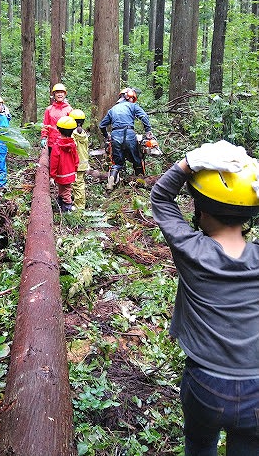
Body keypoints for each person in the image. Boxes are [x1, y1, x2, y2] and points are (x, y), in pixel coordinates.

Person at [150, 140, 259, 456]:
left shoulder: (191, 251)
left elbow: (161, 197)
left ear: (199, 208)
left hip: (205, 383)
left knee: (199, 444)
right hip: (256, 385)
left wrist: (188, 163)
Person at [99, 87, 153, 190]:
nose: (133, 100)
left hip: (115, 135)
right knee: (137, 159)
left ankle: (111, 181)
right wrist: (148, 131)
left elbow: (102, 126)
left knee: (117, 162)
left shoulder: (112, 110)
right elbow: (144, 116)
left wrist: (107, 136)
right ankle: (140, 182)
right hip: (129, 133)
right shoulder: (132, 106)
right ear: (128, 97)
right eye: (132, 98)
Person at [49, 116, 79, 213]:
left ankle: (67, 207)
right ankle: (62, 205)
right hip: (69, 172)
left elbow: (54, 161)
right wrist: (75, 169)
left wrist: (52, 176)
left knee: (65, 190)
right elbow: (76, 158)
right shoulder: (72, 144)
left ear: (58, 129)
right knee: (65, 189)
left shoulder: (57, 145)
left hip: (60, 173)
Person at [40, 83, 72, 154]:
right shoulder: (49, 109)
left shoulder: (69, 109)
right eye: (57, 92)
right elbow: (45, 124)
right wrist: (44, 138)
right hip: (52, 143)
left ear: (65, 94)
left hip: (65, 143)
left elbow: (73, 127)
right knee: (53, 163)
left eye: (61, 92)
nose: (59, 94)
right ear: (54, 95)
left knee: (65, 164)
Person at [70, 109, 89, 210]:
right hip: (83, 162)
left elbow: (73, 149)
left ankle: (79, 207)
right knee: (79, 183)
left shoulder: (73, 134)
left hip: (76, 163)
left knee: (78, 184)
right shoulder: (83, 132)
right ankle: (78, 203)